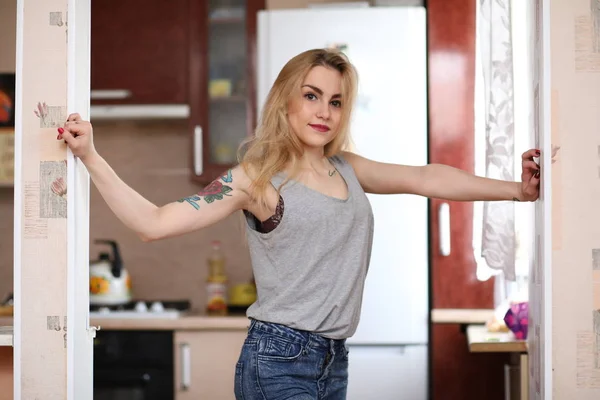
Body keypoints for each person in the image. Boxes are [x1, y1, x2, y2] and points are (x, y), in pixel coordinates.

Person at [58, 48, 540, 399]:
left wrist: (516, 191)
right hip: (278, 360)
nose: (323, 111)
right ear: (286, 100)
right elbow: (154, 222)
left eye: (335, 101)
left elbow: (426, 177)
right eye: (311, 96)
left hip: (333, 360)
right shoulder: (256, 179)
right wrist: (90, 156)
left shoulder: (348, 167)